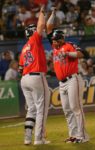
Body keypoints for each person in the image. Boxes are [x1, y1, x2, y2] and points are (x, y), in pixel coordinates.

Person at [46, 9, 89, 143]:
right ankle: (73, 135)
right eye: (53, 40)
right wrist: (52, 14)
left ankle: (83, 136)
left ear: (61, 39)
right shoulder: (55, 48)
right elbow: (48, 27)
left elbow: (83, 54)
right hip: (62, 82)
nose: (53, 42)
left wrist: (68, 54)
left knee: (76, 108)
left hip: (73, 79)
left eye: (55, 40)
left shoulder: (69, 45)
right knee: (67, 110)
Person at [19, 5, 50, 145]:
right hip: (36, 76)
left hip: (24, 78)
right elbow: (42, 24)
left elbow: (20, 68)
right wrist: (42, 11)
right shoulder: (34, 40)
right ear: (32, 32)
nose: (40, 32)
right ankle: (39, 138)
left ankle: (27, 137)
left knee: (31, 109)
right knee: (41, 108)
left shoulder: (24, 48)